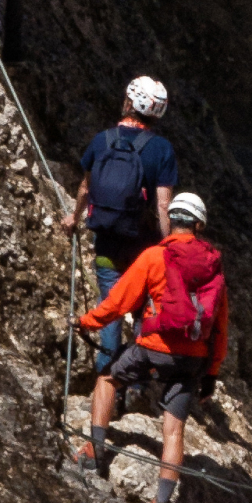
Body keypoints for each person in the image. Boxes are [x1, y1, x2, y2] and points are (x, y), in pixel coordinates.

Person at [75, 192, 228, 503]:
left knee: (108, 378)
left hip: (154, 345)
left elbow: (118, 302)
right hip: (193, 357)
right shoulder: (213, 265)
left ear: (171, 220)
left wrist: (86, 322)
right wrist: (211, 372)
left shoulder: (155, 256)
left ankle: (95, 452)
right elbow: (220, 324)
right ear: (199, 225)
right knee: (174, 431)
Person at [62, 76, 178, 376]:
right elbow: (163, 206)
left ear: (129, 102)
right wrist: (169, 246)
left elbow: (86, 188)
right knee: (143, 314)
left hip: (107, 243)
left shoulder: (102, 140)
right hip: (144, 250)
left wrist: (73, 218)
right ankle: (136, 382)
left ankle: (106, 381)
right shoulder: (161, 150)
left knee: (110, 310)